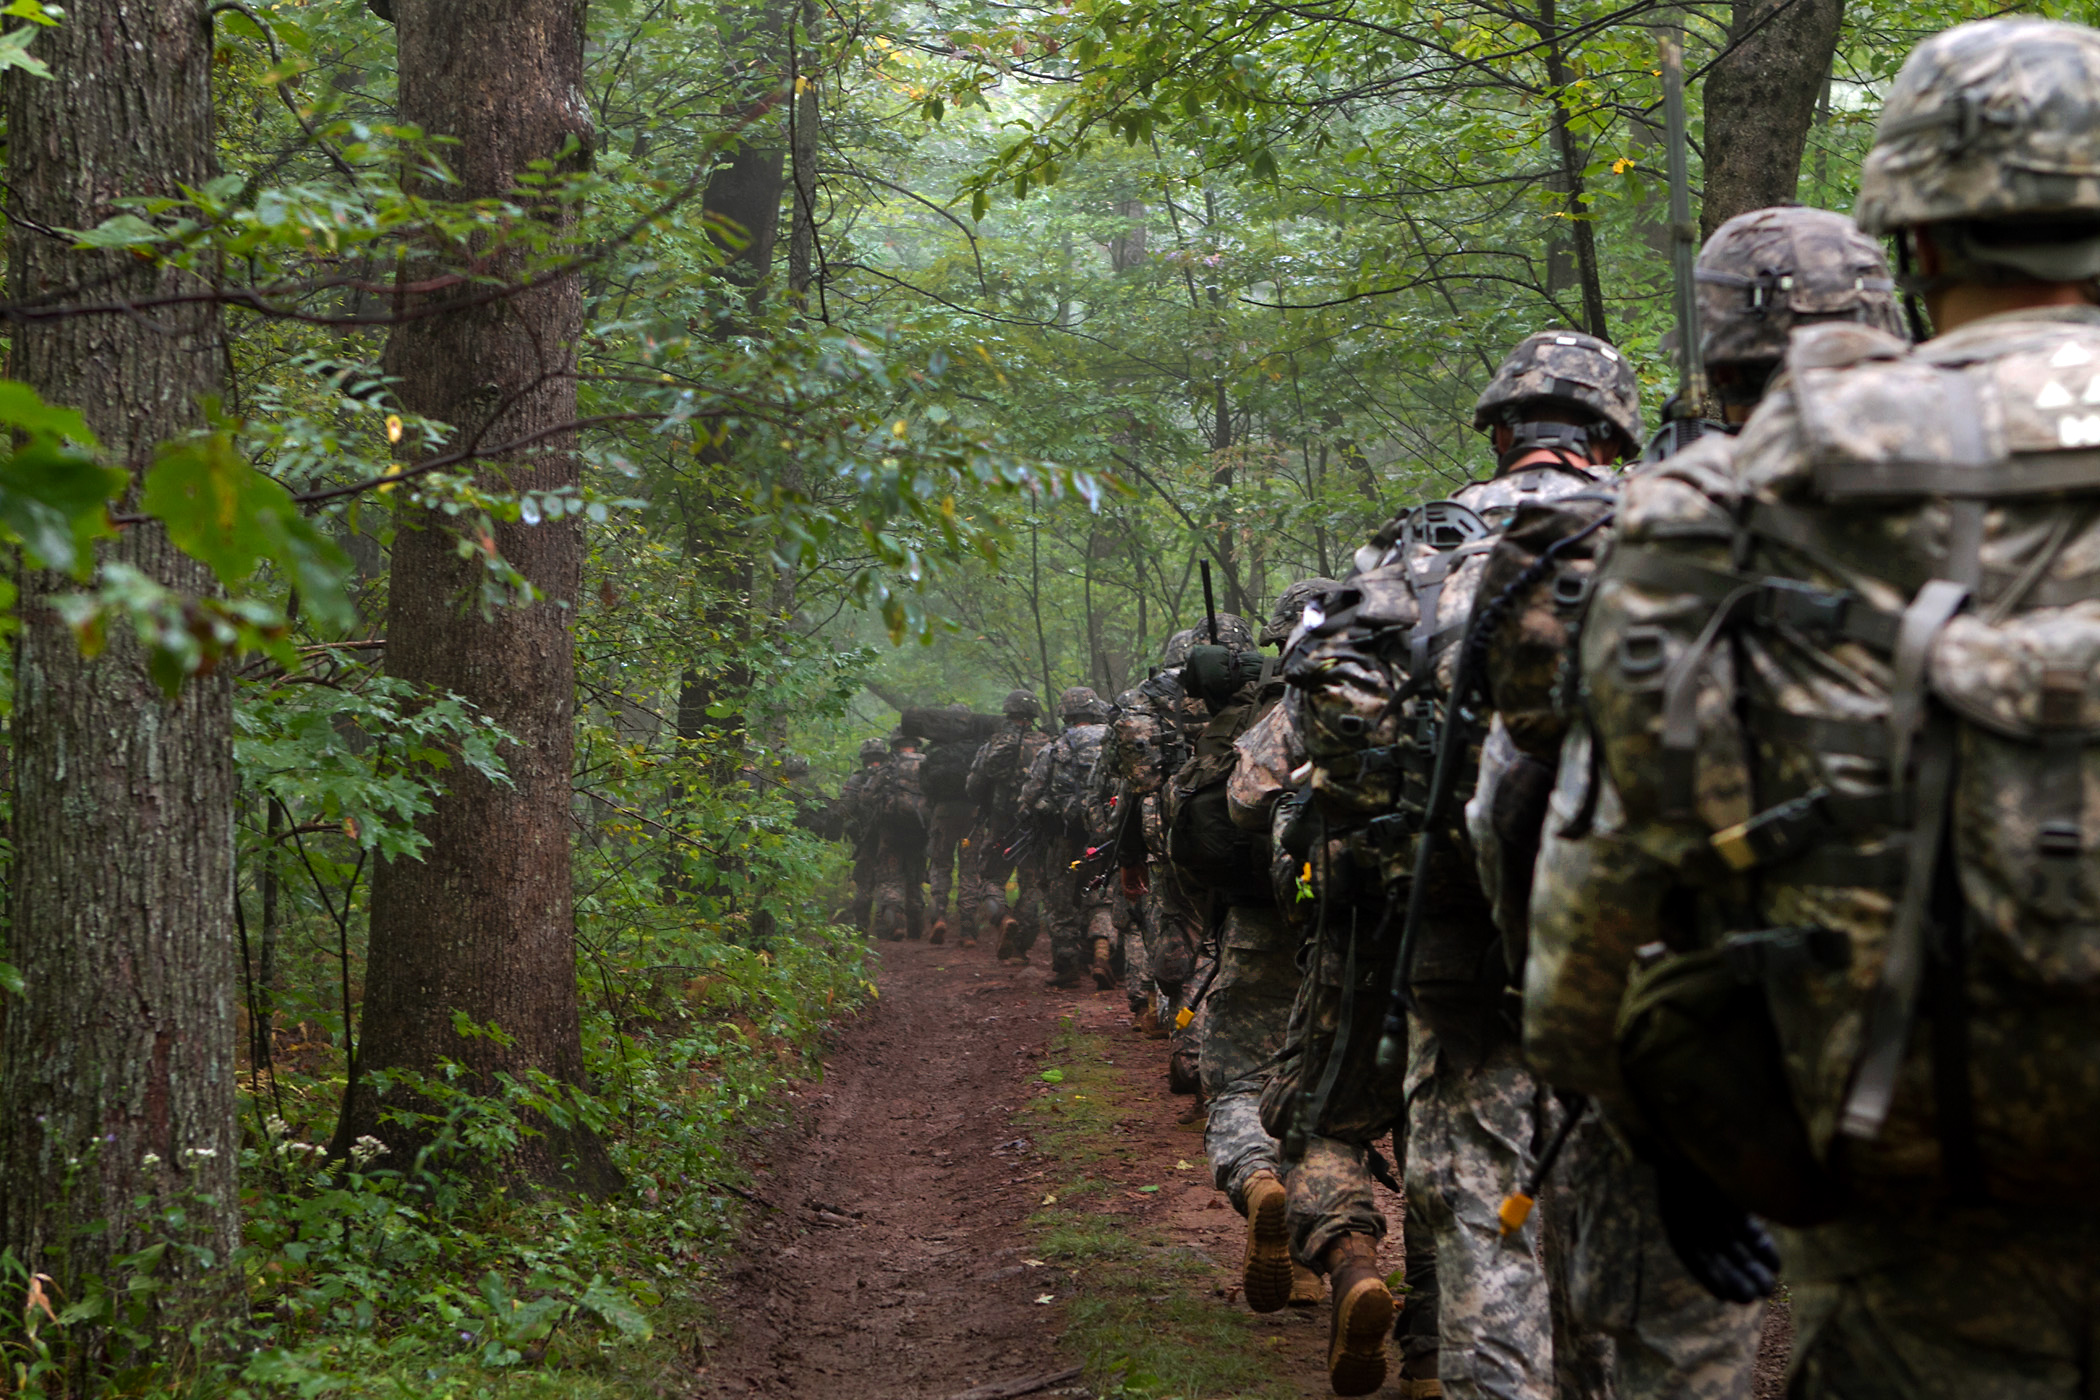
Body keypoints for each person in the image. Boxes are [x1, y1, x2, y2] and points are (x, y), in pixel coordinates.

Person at [1534, 19, 2100, 1397]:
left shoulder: (1736, 500)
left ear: (1909, 245)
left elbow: (1588, 934)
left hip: (1917, 1182)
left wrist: (1676, 1131)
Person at [1470, 205, 1902, 1400]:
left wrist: (1636, 1103)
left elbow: (1535, 830)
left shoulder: (1649, 536)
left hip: (1725, 1053)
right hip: (2015, 1043)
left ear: (1716, 365)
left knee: (1671, 1349)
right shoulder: (2033, 483)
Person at [1281, 328, 1639, 1398]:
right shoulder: (1679, 528)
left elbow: (1318, 702)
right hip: (1642, 935)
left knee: (1479, 1195)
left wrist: (1408, 809)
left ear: (1495, 432)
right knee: (1625, 1205)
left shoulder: (1415, 549)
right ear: (1609, 437)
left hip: (1455, 919)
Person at [1184, 579, 1335, 1319]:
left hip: (1261, 920)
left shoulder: (1263, 707)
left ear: (1279, 637)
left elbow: (1226, 807)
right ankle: (1331, 1254)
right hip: (1359, 927)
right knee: (1334, 1090)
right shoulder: (1412, 689)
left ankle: (1255, 1176)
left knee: (1241, 1076)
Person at [1018, 686, 1116, 988]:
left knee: (1062, 897)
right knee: (1101, 893)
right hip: (1106, 834)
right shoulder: (1112, 740)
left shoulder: (1056, 747)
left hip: (1065, 833)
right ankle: (1102, 947)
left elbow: (1031, 793)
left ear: (1066, 714)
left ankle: (1066, 964)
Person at [966, 690, 1052, 963]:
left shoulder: (996, 742)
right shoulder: (1048, 743)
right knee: (1032, 882)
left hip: (1002, 823)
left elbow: (974, 785)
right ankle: (1019, 948)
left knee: (990, 877)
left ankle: (1002, 917)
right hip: (1035, 824)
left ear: (1008, 712)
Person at [865, 730, 928, 941]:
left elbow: (867, 796)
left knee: (890, 880)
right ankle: (916, 928)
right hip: (920, 833)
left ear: (895, 745)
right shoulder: (927, 765)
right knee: (915, 881)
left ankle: (896, 924)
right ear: (916, 744)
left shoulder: (888, 768)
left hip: (891, 833)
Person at [833, 737, 890, 929]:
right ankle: (886, 927)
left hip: (867, 841)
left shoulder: (857, 780)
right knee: (888, 882)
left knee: (865, 885)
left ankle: (862, 928)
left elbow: (844, 811)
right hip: (890, 840)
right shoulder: (894, 776)